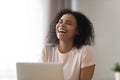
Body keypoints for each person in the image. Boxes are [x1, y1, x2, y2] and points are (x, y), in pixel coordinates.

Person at [40, 9, 96, 80]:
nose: (62, 25)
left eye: (68, 23)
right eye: (60, 22)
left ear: (77, 31)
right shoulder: (46, 50)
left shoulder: (85, 51)